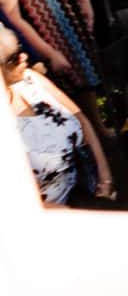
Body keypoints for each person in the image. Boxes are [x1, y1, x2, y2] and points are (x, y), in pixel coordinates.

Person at [4, 23, 111, 205]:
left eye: (20, 49)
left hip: (87, 192)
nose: (25, 57)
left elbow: (82, 120)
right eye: (14, 58)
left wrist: (105, 177)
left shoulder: (31, 79)